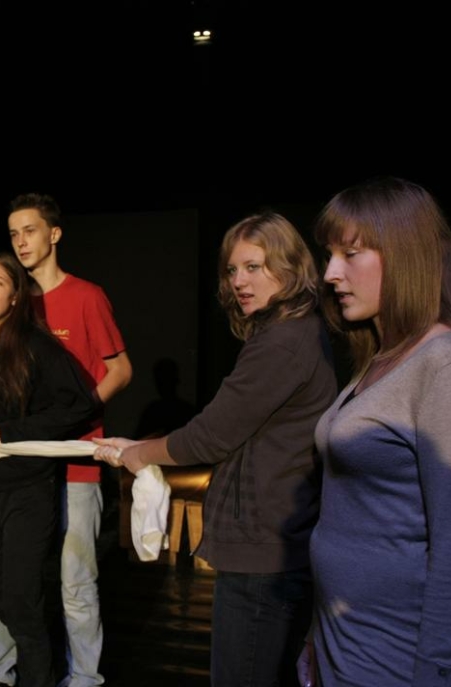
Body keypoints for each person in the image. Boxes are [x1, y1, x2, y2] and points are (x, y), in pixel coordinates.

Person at [93, 211, 338, 686]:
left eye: (254, 267)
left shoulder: (283, 342)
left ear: (289, 267)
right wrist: (139, 445)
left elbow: (211, 436)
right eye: (232, 270)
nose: (239, 281)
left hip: (264, 551)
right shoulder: (287, 333)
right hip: (270, 544)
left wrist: (138, 455)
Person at [297, 177, 451, 687]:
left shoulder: (449, 366)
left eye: (351, 254)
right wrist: (316, 638)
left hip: (390, 655)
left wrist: (435, 675)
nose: (330, 273)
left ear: (406, 255)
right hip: (339, 641)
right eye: (330, 255)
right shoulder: (380, 359)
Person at [0, 193, 132, 687]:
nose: (21, 242)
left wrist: (73, 419)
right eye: (13, 233)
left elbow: (120, 369)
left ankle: (83, 678)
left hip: (73, 463)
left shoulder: (85, 296)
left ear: (54, 234)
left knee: (75, 580)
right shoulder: (12, 301)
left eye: (30, 230)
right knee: (9, 580)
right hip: (18, 467)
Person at [0, 252, 98, 687]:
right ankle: (22, 666)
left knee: (23, 601)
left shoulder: (35, 347)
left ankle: (38, 678)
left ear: (14, 297)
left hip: (27, 490)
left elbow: (78, 406)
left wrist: (9, 432)